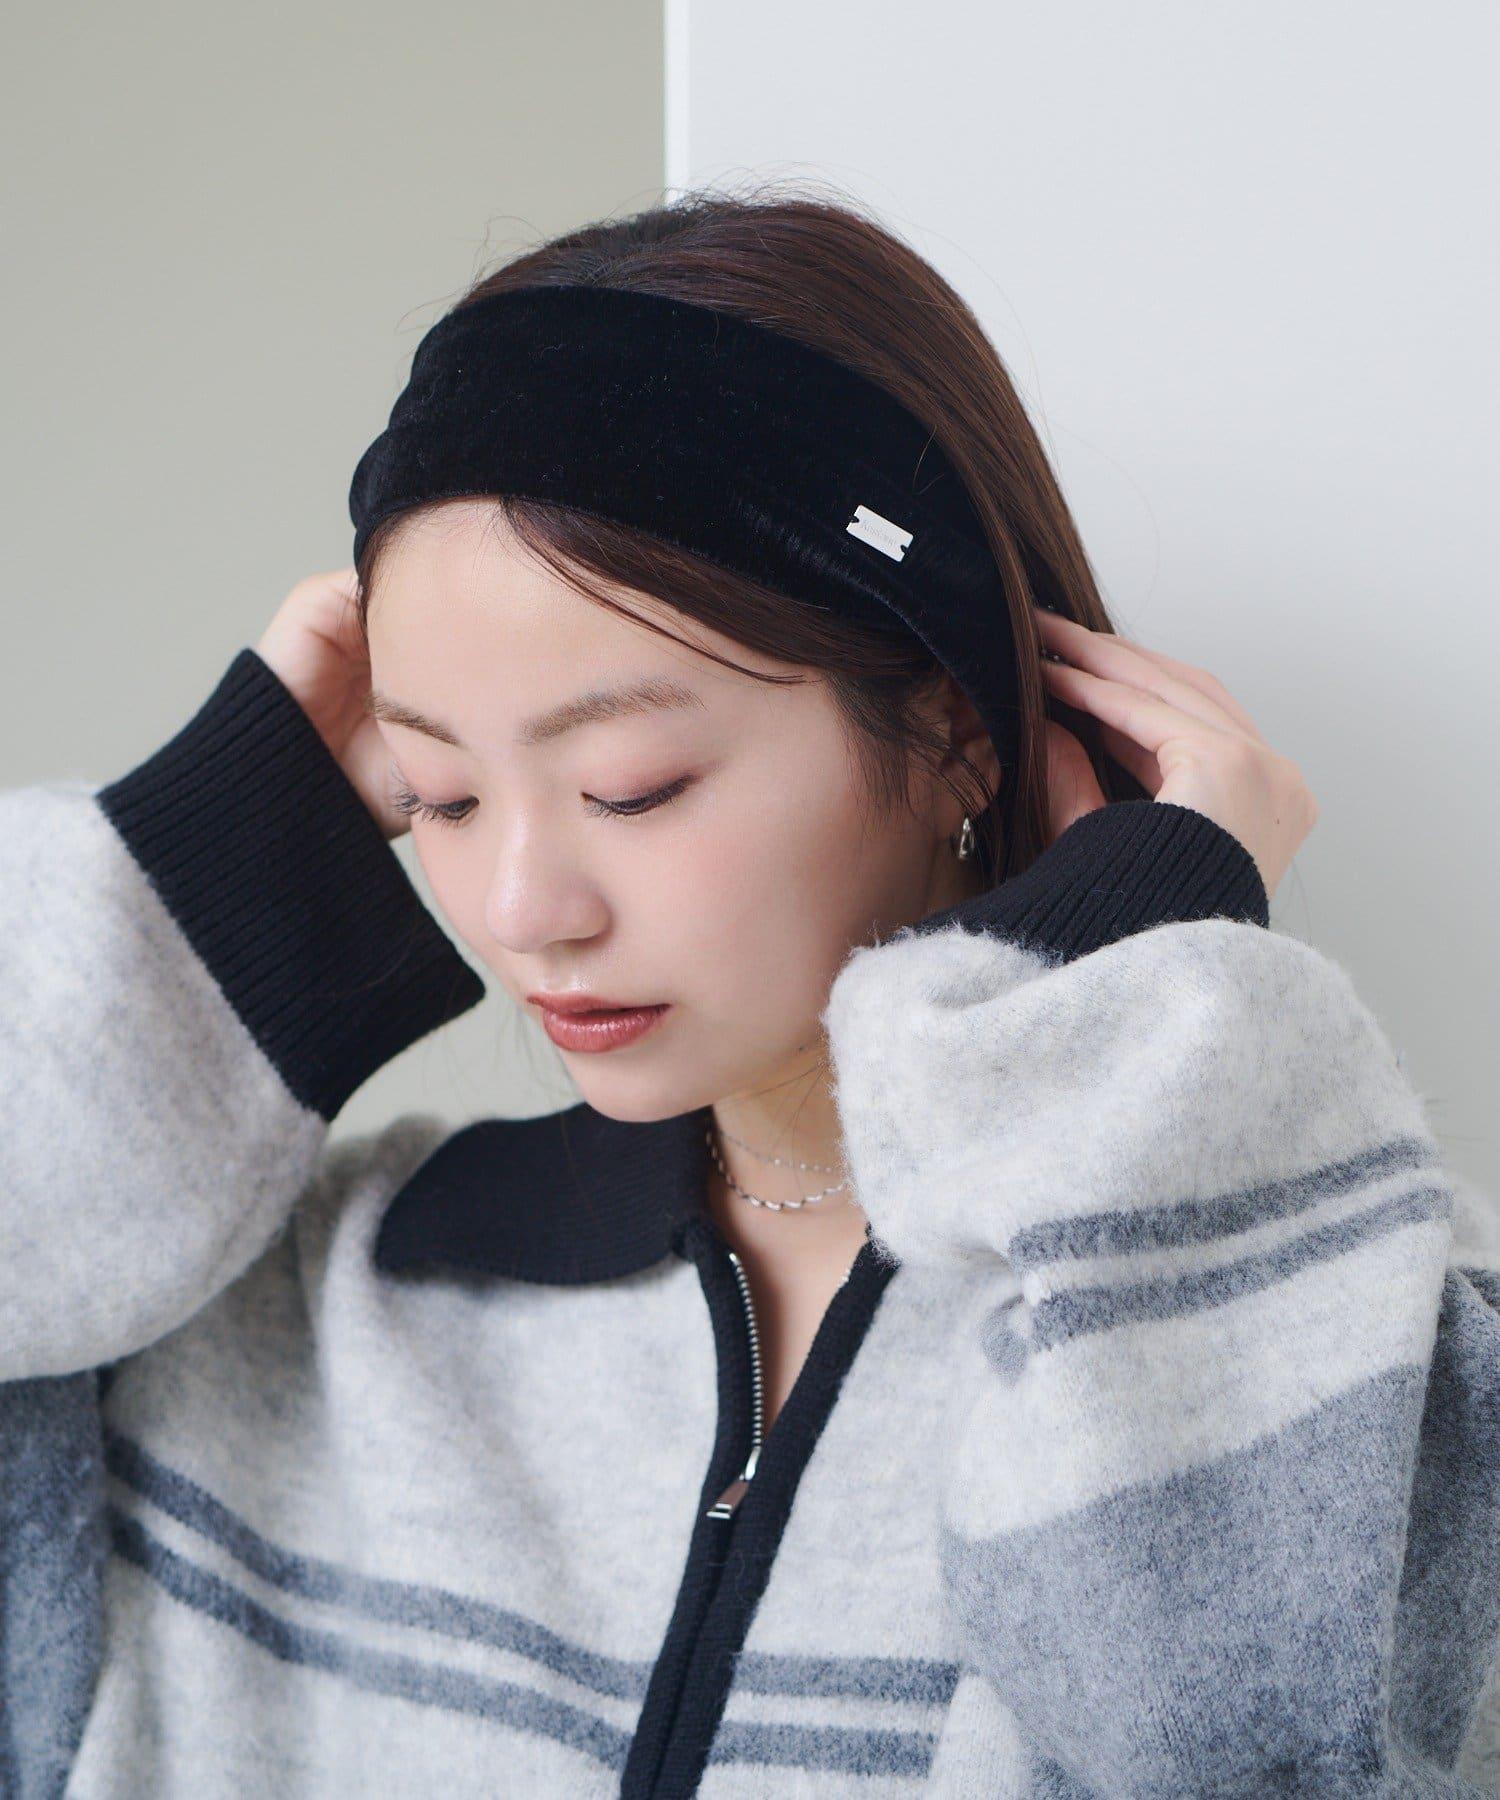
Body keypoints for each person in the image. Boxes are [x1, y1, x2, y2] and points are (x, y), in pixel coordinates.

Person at [3, 188, 1497, 1798]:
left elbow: (1252, 1752)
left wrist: (1138, 1007)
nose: (518, 911)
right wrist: (211, 860)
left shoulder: (1325, 1320)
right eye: (441, 794)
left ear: (957, 734)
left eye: (632, 787)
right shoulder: (301, 1306)